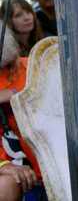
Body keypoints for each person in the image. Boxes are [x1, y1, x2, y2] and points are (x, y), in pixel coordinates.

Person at [0, 27, 43, 201]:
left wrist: (19, 94)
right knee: (5, 187)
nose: (6, 76)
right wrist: (3, 164)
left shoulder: (36, 67)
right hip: (15, 173)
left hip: (51, 166)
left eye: (10, 66)